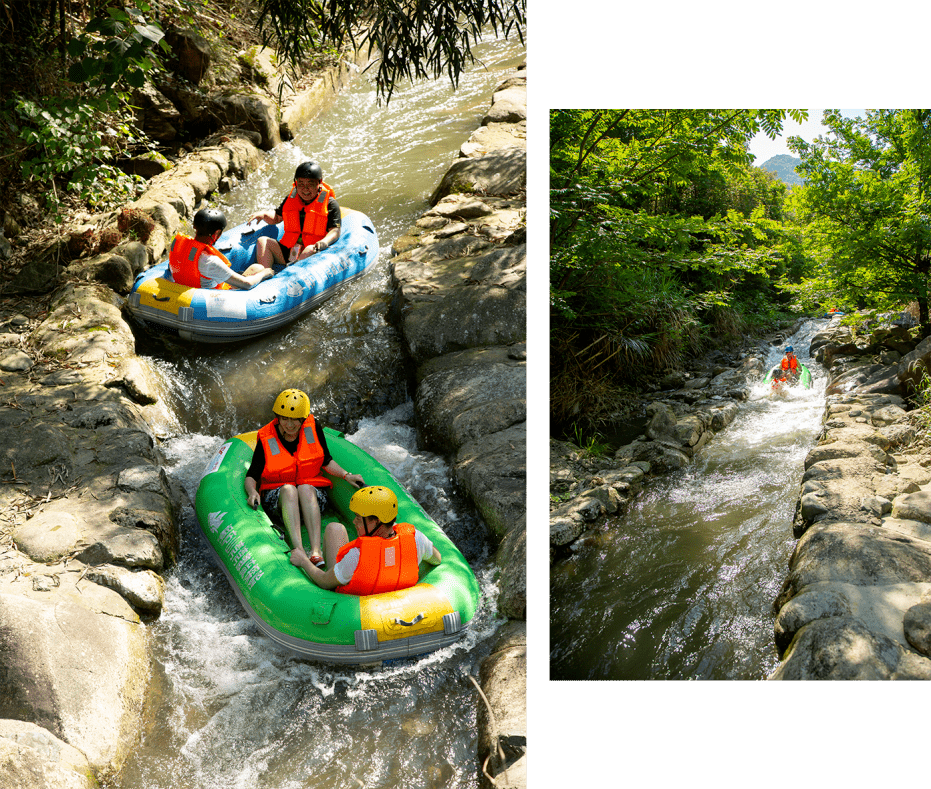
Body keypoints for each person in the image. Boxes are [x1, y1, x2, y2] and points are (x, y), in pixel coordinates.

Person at [244, 389, 364, 569]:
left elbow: (326, 460)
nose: (289, 424)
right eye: (284, 419)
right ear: (278, 418)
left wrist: (346, 475)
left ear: (302, 419)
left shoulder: (313, 426)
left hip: (311, 496)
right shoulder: (266, 437)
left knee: (305, 487)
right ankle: (299, 549)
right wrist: (252, 491)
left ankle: (316, 552)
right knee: (289, 489)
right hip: (278, 499)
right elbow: (252, 474)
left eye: (294, 420)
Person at [296, 485, 441, 594]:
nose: (354, 522)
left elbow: (325, 583)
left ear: (376, 521)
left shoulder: (357, 556)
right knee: (336, 528)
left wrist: (303, 561)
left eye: (359, 518)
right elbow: (437, 559)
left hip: (357, 609)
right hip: (397, 598)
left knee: (334, 529)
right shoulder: (416, 539)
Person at [247, 161, 342, 270]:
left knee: (310, 249)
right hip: (290, 250)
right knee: (263, 241)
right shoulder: (291, 199)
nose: (305, 189)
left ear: (319, 183)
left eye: (310, 184)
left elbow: (335, 230)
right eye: (301, 184)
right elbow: (277, 217)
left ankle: (292, 275)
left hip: (312, 250)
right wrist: (264, 215)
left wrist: (324, 242)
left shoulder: (330, 203)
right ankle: (265, 273)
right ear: (296, 183)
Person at [168, 208, 274, 290]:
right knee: (258, 268)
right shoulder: (209, 261)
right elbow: (247, 284)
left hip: (187, 291)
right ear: (217, 233)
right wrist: (265, 273)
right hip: (211, 301)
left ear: (195, 227)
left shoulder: (179, 247)